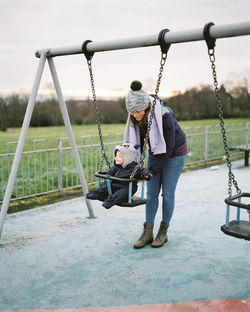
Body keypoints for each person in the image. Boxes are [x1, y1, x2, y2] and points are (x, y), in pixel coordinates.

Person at [124, 80, 188, 249]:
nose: (136, 115)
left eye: (139, 111)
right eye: (132, 112)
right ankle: (147, 232)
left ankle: (163, 231)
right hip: (156, 152)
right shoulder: (134, 118)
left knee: (167, 193)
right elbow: (136, 144)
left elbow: (168, 148)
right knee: (151, 193)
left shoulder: (164, 115)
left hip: (175, 153)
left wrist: (152, 170)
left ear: (146, 107)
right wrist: (130, 163)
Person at [86, 143, 150, 209]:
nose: (116, 158)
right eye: (116, 155)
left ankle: (110, 201)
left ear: (127, 158)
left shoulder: (135, 168)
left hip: (126, 189)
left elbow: (143, 171)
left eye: (119, 157)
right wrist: (106, 187)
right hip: (114, 186)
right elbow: (108, 175)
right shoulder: (115, 168)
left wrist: (146, 175)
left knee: (120, 194)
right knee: (103, 189)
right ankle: (97, 193)